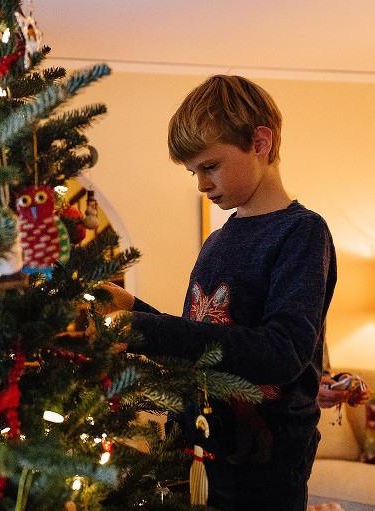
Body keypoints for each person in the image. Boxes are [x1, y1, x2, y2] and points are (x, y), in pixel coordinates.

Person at [99, 75, 337, 511]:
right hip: (192, 450)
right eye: (194, 172)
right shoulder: (219, 240)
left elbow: (282, 351)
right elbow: (203, 337)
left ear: (260, 142)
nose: (202, 185)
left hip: (261, 469)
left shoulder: (301, 233)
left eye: (210, 167)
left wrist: (140, 328)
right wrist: (133, 308)